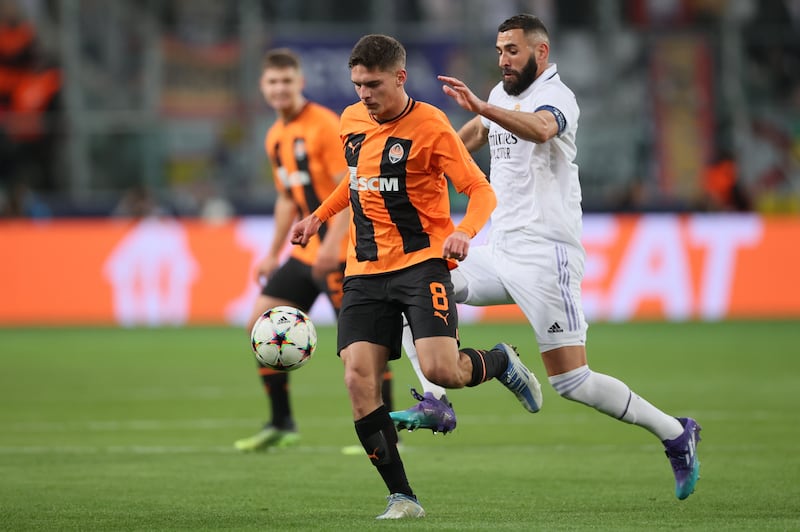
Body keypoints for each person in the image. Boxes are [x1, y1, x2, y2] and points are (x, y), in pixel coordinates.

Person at [391, 14, 703, 501]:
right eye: (498, 50)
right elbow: (471, 133)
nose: (502, 60)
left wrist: (482, 107)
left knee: (573, 381)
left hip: (547, 257)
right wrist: (425, 155)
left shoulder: (557, 98)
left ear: (540, 51)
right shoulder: (499, 94)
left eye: (511, 50)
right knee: (411, 285)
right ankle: (440, 400)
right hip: (502, 248)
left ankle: (675, 433)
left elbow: (539, 130)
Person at [289, 34, 542, 519]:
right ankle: (402, 496)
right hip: (363, 269)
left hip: (422, 263)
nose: (364, 94)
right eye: (358, 84)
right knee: (357, 379)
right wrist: (318, 218)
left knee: (441, 371)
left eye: (374, 84)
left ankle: (499, 361)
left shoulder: (432, 126)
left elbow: (480, 189)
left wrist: (465, 231)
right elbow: (355, 178)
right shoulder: (350, 121)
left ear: (400, 78)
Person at [234, 49, 399, 452]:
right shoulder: (275, 135)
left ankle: (387, 428)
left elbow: (351, 186)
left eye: (286, 82)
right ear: (263, 87)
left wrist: (331, 245)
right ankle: (282, 422)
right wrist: (273, 252)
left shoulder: (324, 126)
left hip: (344, 251)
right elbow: (288, 199)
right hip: (308, 252)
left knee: (363, 346)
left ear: (300, 83)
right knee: (260, 323)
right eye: (272, 83)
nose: (279, 89)